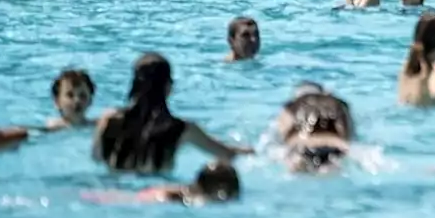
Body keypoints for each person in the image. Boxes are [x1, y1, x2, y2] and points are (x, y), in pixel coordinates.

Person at [92, 53, 253, 173]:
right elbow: (227, 154)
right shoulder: (180, 129)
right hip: (154, 195)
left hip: (110, 191)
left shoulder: (108, 119)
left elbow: (97, 158)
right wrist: (255, 151)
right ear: (168, 87)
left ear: (134, 85)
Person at [276, 86, 355, 171]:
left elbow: (282, 134)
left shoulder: (291, 107)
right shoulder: (337, 104)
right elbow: (346, 133)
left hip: (300, 148)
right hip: (335, 147)